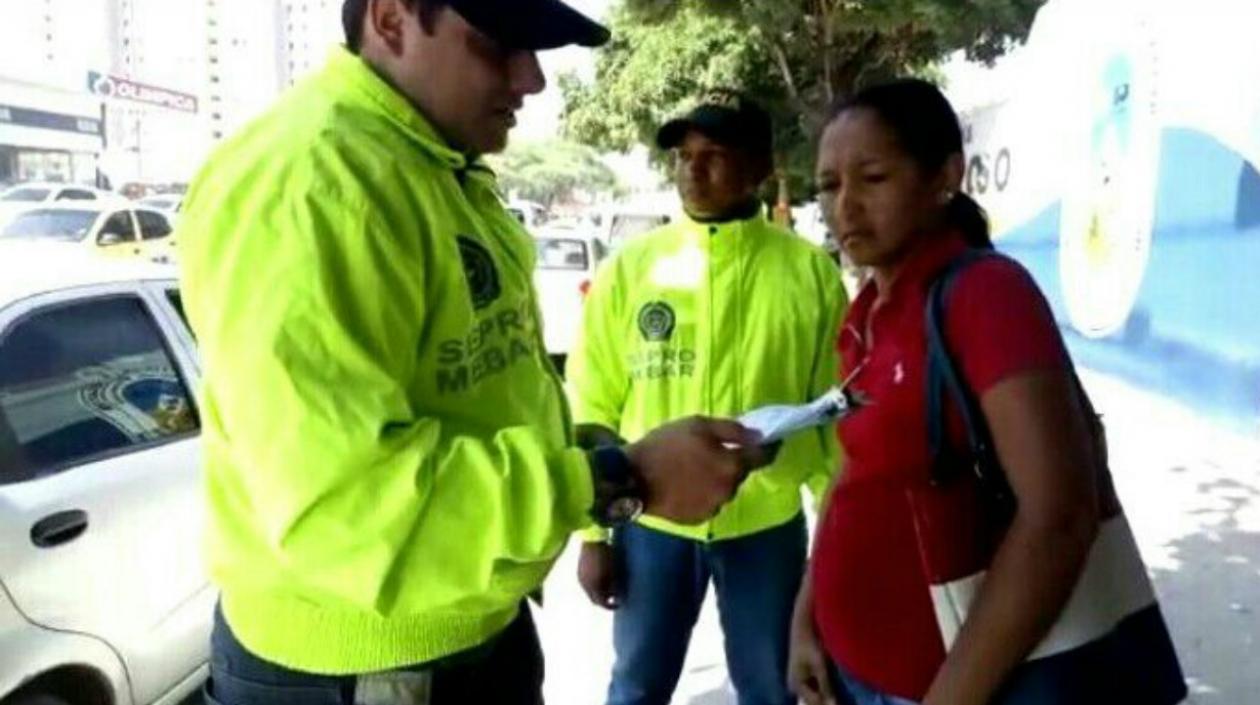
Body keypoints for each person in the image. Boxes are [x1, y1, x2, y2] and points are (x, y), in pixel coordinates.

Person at [177, 2, 775, 703]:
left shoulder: (429, 165)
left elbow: (462, 392)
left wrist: (583, 449)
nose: (533, 80)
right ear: (393, 18)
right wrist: (613, 477)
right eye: (499, 45)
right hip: (368, 664)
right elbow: (346, 508)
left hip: (462, 625)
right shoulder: (311, 184)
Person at [788, 78, 1186, 705]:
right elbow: (855, 472)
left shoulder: (983, 295)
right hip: (856, 671)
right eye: (829, 185)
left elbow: (1058, 516)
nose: (845, 208)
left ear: (945, 176)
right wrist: (807, 619)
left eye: (873, 178)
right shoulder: (868, 309)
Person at [569, 91, 847, 705]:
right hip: (652, 522)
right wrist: (592, 536)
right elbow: (593, 401)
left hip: (767, 527)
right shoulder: (632, 269)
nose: (692, 170)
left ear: (760, 168)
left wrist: (836, 535)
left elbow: (833, 413)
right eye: (684, 156)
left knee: (774, 688)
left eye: (714, 155)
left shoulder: (808, 273)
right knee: (636, 686)